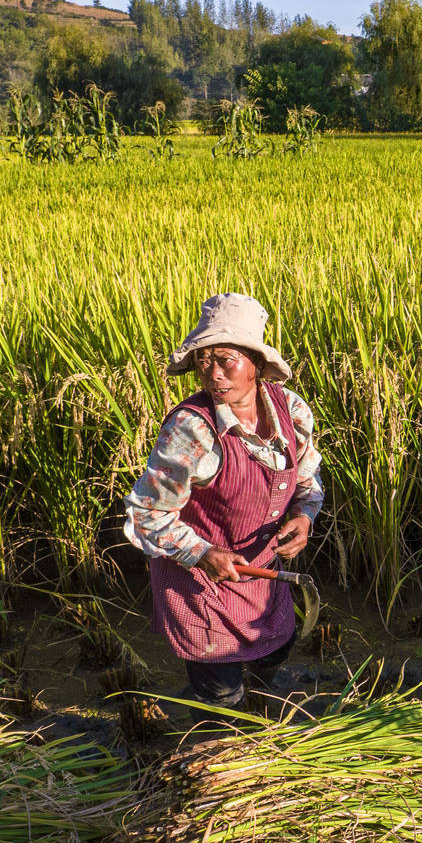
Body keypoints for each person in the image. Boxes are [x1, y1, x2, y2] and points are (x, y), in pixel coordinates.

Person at [123, 293, 323, 710]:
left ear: (256, 364)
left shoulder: (293, 413)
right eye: (203, 362)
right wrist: (202, 552)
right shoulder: (192, 431)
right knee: (222, 695)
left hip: (263, 575)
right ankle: (223, 752)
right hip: (200, 582)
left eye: (226, 360)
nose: (213, 374)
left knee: (275, 653)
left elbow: (307, 479)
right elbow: (147, 513)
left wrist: (304, 516)